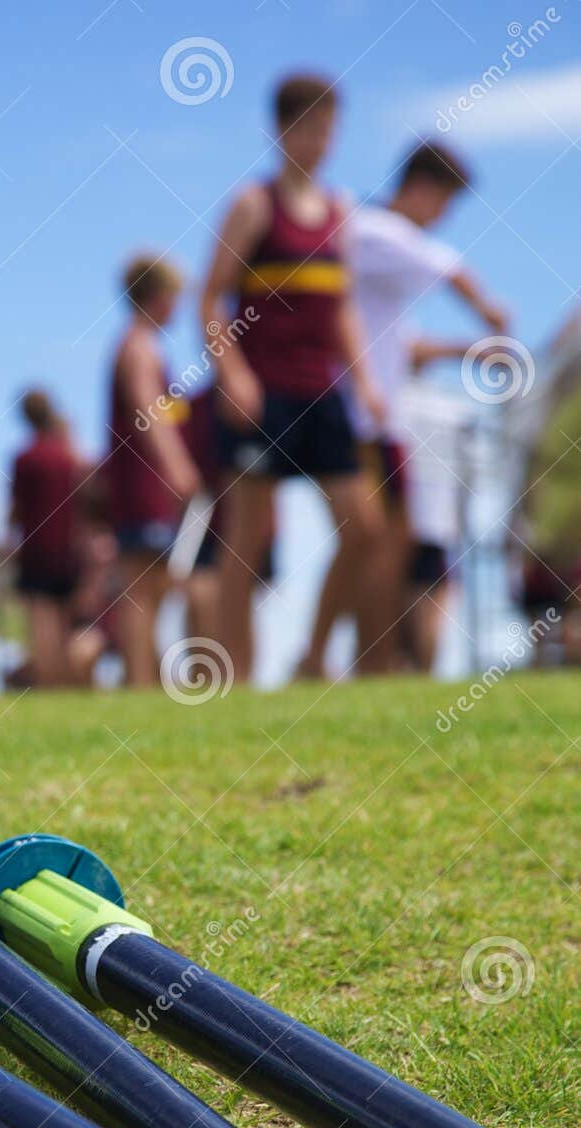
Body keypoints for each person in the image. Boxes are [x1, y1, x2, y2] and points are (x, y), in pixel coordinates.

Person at [199, 72, 385, 685]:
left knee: (364, 529)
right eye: (307, 127)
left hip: (322, 393)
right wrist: (233, 375)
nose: (319, 140)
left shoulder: (341, 211)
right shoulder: (253, 206)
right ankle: (237, 681)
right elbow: (211, 300)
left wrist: (365, 382)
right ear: (280, 130)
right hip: (265, 397)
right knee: (247, 539)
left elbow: (345, 308)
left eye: (329, 128)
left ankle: (312, 657)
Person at [300, 141, 509, 675]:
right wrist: (489, 311)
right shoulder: (370, 229)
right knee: (370, 538)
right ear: (422, 188)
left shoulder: (380, 266)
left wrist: (465, 349)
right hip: (356, 416)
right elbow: (446, 267)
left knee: (388, 542)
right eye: (444, 204)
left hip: (382, 420)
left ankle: (371, 662)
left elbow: (401, 343)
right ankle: (322, 659)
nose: (442, 219)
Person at [106, 254, 201, 686]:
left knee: (153, 583)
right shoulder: (139, 348)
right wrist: (177, 466)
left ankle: (149, 677)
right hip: (144, 483)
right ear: (160, 298)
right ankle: (141, 680)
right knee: (142, 587)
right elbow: (149, 411)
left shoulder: (135, 345)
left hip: (140, 482)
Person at [8, 390, 84, 687]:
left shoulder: (25, 458)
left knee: (41, 623)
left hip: (37, 551)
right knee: (64, 622)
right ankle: (63, 683)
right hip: (67, 550)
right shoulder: (68, 457)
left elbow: (15, 508)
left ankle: (47, 684)